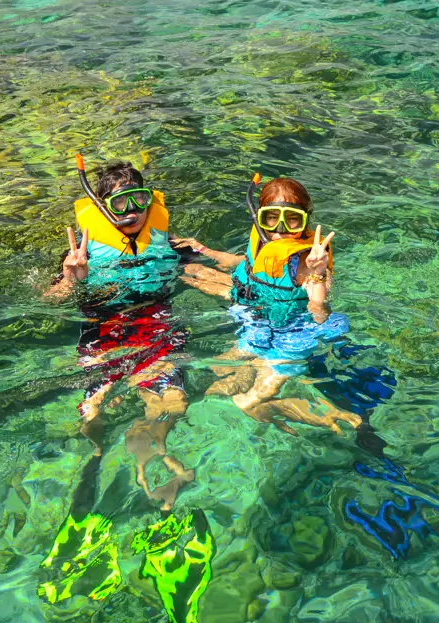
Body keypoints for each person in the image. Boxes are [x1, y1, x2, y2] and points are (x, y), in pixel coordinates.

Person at [44, 157, 195, 511]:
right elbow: (49, 300)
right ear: (102, 208)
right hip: (104, 329)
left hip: (155, 323)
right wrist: (70, 279)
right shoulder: (81, 254)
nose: (132, 211)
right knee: (93, 412)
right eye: (119, 203)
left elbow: (217, 263)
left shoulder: (166, 242)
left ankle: (152, 451)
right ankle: (100, 454)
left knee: (176, 402)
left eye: (139, 199)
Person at [177, 176, 359, 434]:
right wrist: (207, 252)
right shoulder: (263, 241)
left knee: (246, 399)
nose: (280, 228)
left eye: (292, 219)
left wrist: (318, 272)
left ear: (305, 220)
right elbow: (250, 264)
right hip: (256, 317)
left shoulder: (307, 259)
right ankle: (256, 398)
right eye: (272, 218)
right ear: (259, 218)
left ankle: (290, 409)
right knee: (215, 372)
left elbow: (318, 309)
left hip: (292, 335)